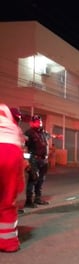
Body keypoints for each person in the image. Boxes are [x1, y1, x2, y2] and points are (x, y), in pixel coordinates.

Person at [0, 104, 26, 252]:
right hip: (12, 151)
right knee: (7, 200)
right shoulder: (14, 128)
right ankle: (9, 243)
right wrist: (18, 182)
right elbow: (21, 152)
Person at [24, 115, 50, 208]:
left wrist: (57, 136)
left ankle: (38, 198)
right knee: (33, 179)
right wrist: (27, 161)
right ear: (32, 123)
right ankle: (28, 201)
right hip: (34, 159)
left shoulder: (44, 133)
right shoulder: (28, 133)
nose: (39, 123)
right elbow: (24, 147)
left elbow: (49, 137)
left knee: (41, 180)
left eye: (40, 121)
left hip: (44, 160)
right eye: (36, 121)